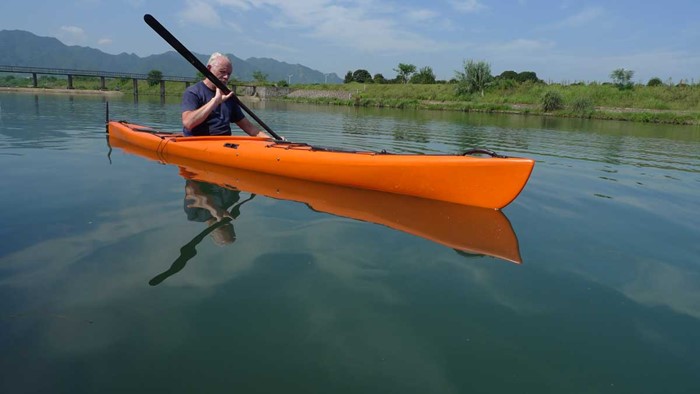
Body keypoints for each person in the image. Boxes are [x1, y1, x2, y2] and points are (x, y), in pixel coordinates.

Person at [181, 52, 271, 138]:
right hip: (199, 142)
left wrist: (272, 140)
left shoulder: (228, 96)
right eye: (222, 72)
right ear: (208, 69)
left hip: (223, 144)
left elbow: (248, 127)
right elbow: (188, 123)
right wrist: (215, 101)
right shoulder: (193, 92)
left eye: (229, 74)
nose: (226, 77)